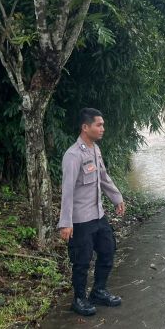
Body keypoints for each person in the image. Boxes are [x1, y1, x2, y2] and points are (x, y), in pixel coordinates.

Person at [58, 108, 126, 316]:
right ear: (85, 127)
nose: (102, 128)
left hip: (98, 215)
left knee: (108, 250)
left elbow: (103, 177)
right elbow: (67, 191)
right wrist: (65, 222)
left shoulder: (95, 149)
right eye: (99, 125)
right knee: (81, 261)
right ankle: (79, 299)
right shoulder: (73, 155)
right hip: (80, 220)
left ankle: (98, 291)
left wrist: (117, 198)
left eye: (102, 124)